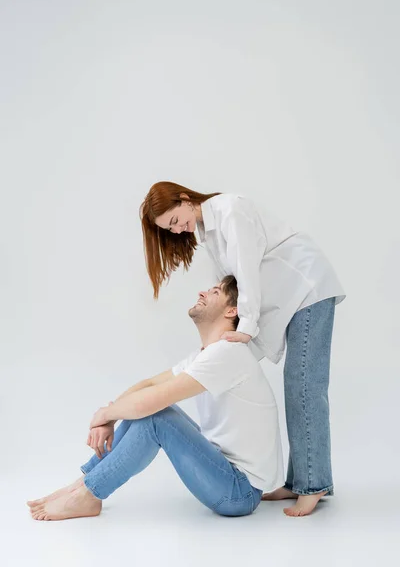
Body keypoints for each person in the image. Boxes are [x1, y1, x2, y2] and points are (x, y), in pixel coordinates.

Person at [140, 181, 346, 517]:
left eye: (175, 220)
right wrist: (221, 347)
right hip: (288, 298)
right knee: (297, 384)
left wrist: (246, 329)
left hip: (308, 286)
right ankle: (299, 482)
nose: (178, 230)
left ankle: (314, 484)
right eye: (170, 228)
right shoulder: (207, 234)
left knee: (304, 386)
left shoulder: (229, 210)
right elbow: (230, 290)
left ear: (184, 199)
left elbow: (247, 273)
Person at [27, 276, 283, 521]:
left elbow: (153, 399)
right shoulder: (205, 355)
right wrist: (110, 416)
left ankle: (89, 493)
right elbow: (148, 385)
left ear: (231, 311)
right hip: (225, 474)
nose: (202, 293)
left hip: (239, 492)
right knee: (151, 411)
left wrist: (106, 415)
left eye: (215, 292)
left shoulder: (228, 354)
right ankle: (82, 485)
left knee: (156, 416)